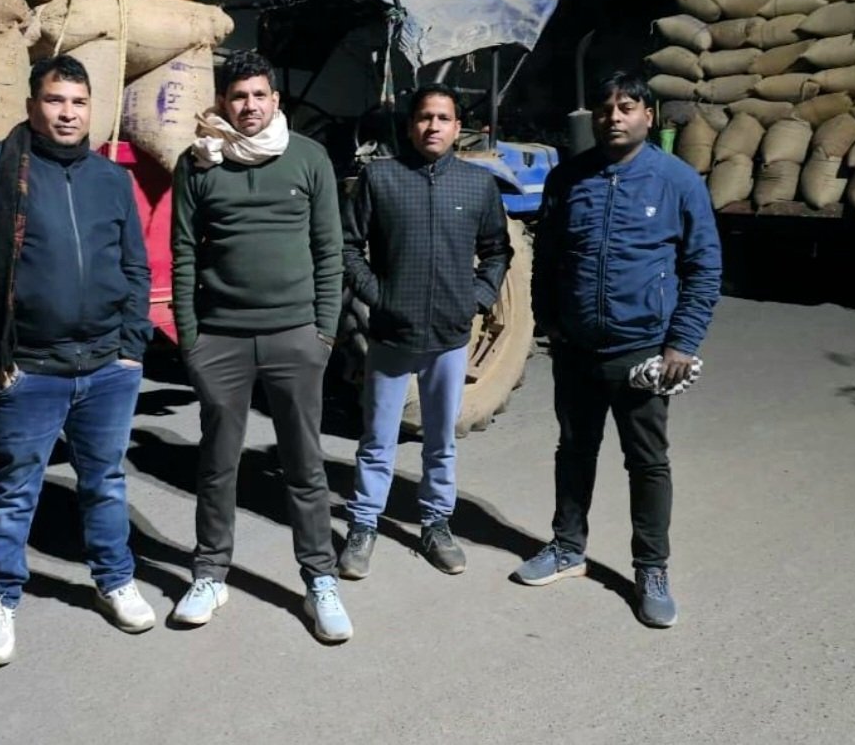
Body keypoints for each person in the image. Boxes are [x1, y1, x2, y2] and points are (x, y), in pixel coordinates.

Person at [0, 53, 154, 670]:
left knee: (105, 481)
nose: (68, 113)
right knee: (12, 491)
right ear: (32, 105)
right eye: (56, 100)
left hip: (106, 366)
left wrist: (131, 346)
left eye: (79, 103)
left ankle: (115, 579)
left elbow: (134, 265)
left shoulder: (110, 178)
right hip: (27, 365)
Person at [516, 70, 721, 628]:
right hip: (576, 349)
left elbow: (704, 267)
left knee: (647, 462)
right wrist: (549, 320)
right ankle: (567, 547)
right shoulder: (568, 178)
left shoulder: (678, 181)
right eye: (605, 108)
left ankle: (651, 569)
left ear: (648, 116)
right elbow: (545, 258)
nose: (614, 117)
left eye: (627, 107)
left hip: (642, 351)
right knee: (574, 450)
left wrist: (682, 342)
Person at [168, 50, 353, 642]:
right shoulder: (199, 162)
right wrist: (191, 339)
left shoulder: (309, 158)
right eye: (238, 96)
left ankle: (320, 580)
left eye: (258, 95)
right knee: (217, 465)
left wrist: (323, 334)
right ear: (223, 103)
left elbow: (330, 251)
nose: (249, 106)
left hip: (295, 336)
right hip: (220, 339)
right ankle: (209, 575)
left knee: (305, 466)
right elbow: (183, 252)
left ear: (275, 99)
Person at [337, 84, 513, 580]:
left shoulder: (477, 185)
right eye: (424, 117)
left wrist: (477, 299)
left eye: (443, 118)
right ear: (411, 125)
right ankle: (363, 524)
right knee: (378, 439)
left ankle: (436, 523)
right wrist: (379, 297)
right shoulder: (381, 178)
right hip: (391, 336)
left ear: (457, 128)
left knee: (441, 441)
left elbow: (497, 250)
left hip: (449, 339)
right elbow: (348, 246)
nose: (433, 126)